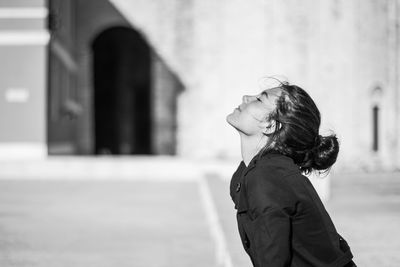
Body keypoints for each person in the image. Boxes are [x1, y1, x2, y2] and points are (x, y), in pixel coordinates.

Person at [226, 80, 356, 267]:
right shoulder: (254, 173)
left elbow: (272, 261)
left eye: (260, 100)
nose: (246, 98)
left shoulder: (267, 178)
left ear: (271, 125)